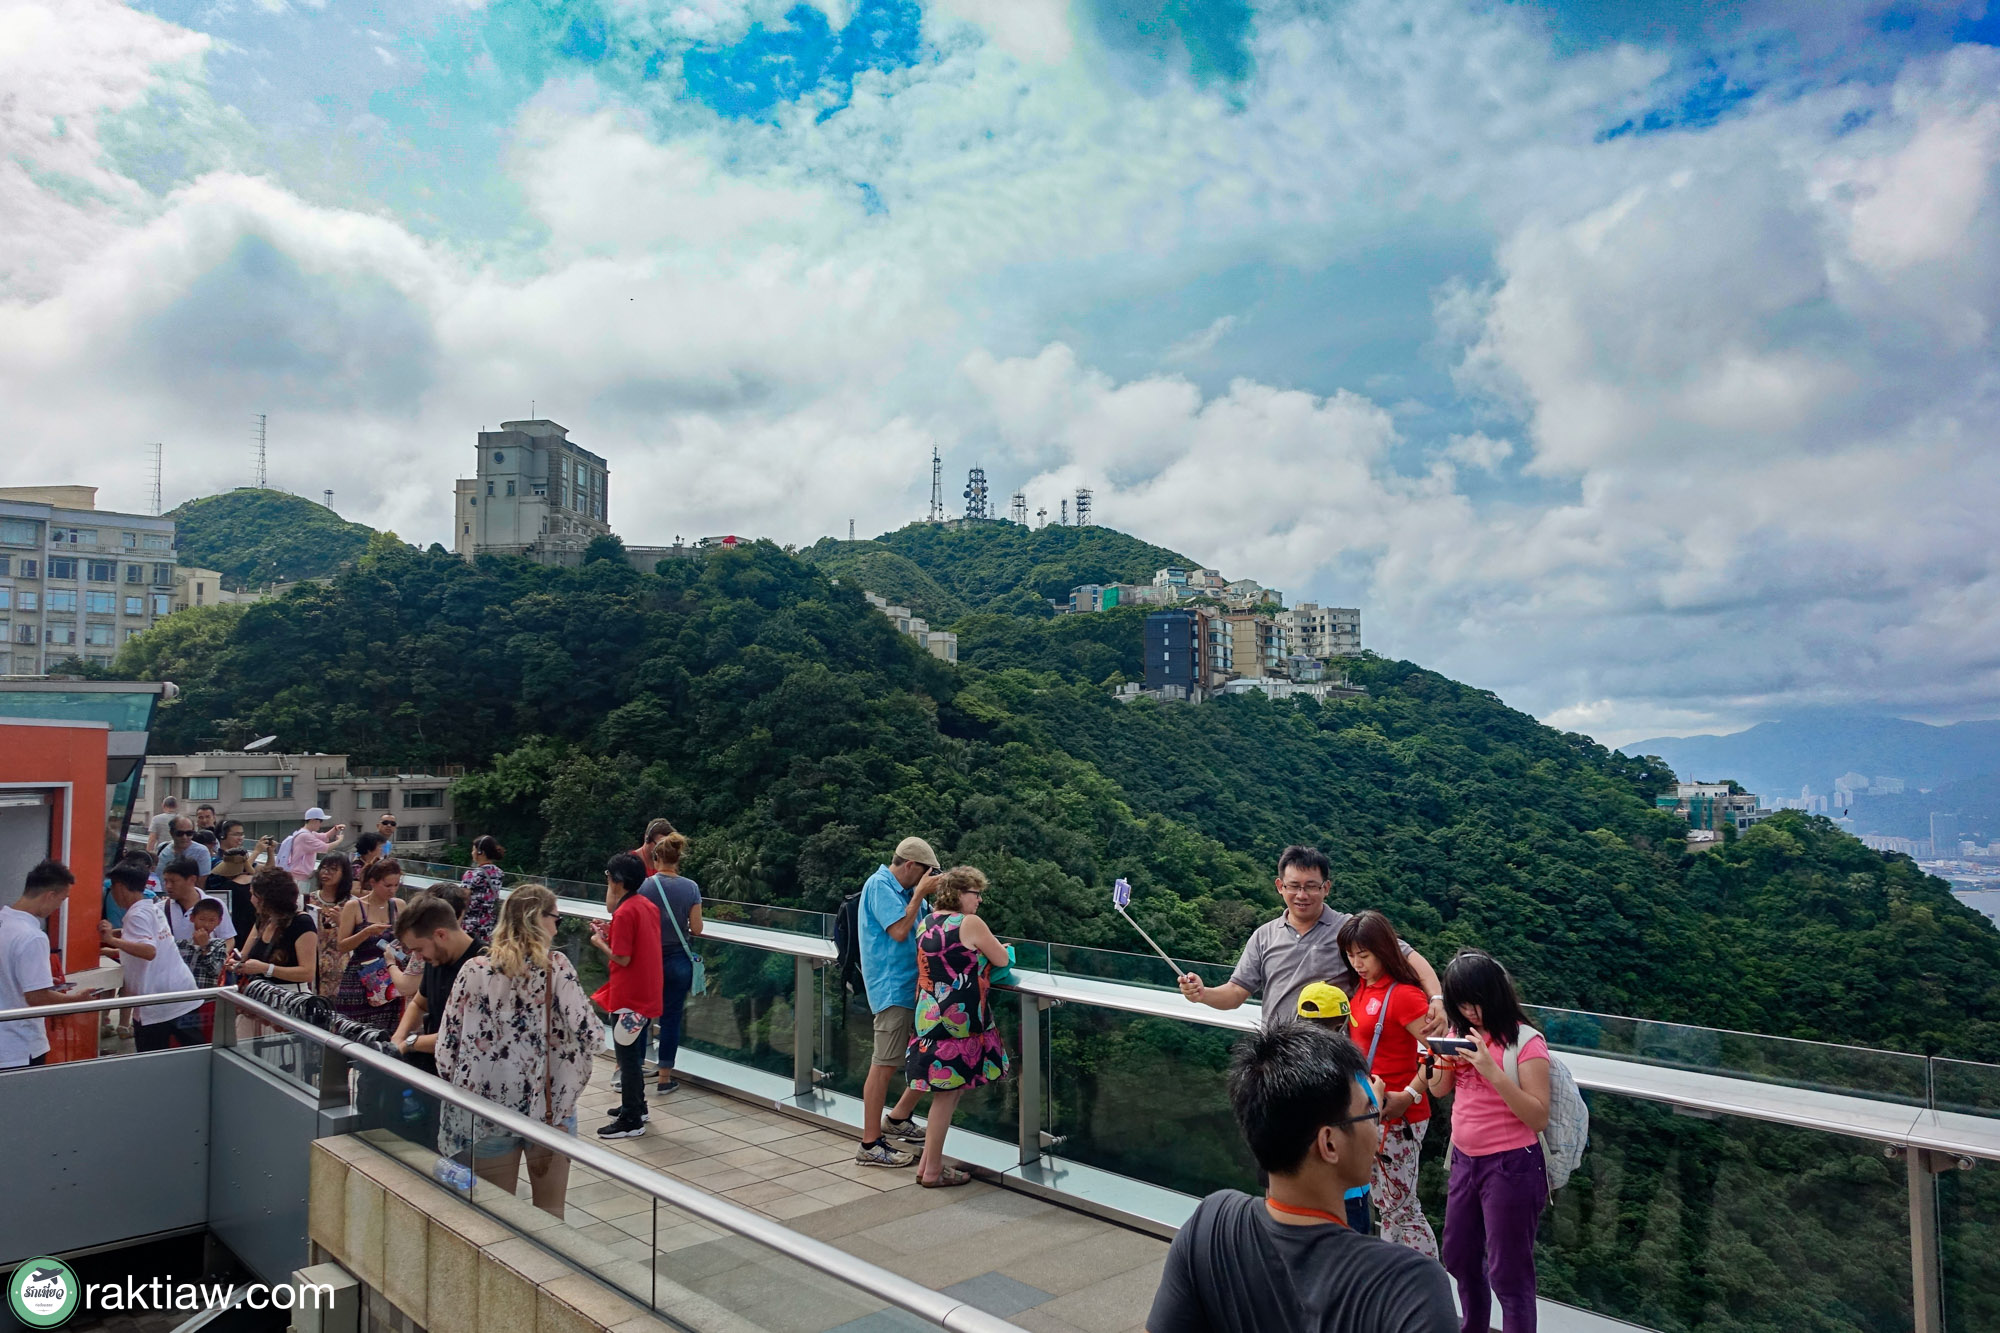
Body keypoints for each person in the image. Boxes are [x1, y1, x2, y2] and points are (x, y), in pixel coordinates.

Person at [1145, 1022, 1457, 1333]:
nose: (1377, 1125)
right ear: (1329, 1143)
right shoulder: (1409, 1287)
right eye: (1370, 1111)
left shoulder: (1210, 1224)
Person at [436, 885, 602, 1217]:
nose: (557, 926)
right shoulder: (557, 967)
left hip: (486, 1113)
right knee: (550, 1211)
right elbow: (593, 1036)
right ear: (537, 919)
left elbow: (445, 1049)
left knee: (496, 1217)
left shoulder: (473, 970)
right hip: (549, 1111)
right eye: (555, 917)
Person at [1178, 846, 1445, 1033]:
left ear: (1326, 888)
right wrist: (1203, 994)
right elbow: (1236, 993)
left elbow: (1408, 956)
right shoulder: (1264, 936)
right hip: (1278, 1055)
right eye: (1293, 886)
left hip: (1333, 1056)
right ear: (1280, 886)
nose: (1302, 895)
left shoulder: (1347, 929)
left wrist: (1436, 999)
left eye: (1311, 886)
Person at [1422, 951, 1552, 1333]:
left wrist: (1490, 1070)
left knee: (1509, 1273)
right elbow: (1441, 1090)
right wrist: (1437, 1063)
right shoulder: (1456, 1034)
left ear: (1495, 995)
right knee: (1459, 1257)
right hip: (1465, 1160)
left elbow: (1537, 1116)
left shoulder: (1526, 1042)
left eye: (1474, 1001)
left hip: (1513, 1164)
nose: (1469, 1011)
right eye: (1460, 1003)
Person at [1336, 911, 1438, 1259]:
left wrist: (1408, 1095)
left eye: (1364, 955)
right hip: (1373, 1112)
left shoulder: (1404, 995)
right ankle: (1396, 1279)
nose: (1357, 963)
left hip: (1400, 1116)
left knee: (1401, 1209)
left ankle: (1424, 1284)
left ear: (1383, 950)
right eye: (1351, 955)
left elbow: (1438, 1051)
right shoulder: (1363, 988)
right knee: (1385, 1203)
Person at [905, 866, 1010, 1188]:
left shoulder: (927, 921)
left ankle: (927, 1166)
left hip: (928, 1015)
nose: (979, 901)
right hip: (957, 1020)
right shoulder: (969, 923)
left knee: (944, 1093)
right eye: (975, 894)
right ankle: (933, 1171)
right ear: (960, 893)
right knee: (946, 1097)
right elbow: (1002, 959)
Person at [854, 836, 941, 1167]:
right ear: (910, 866)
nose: (928, 879)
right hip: (892, 989)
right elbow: (900, 932)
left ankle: (899, 1118)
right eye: (926, 873)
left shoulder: (905, 892)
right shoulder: (879, 886)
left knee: (926, 1057)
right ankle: (870, 1143)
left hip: (915, 988)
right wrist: (920, 895)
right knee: (884, 1064)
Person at [1291, 983, 1375, 1235]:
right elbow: (1366, 1114)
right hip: (1345, 1190)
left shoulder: (1282, 1064)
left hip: (1301, 1184)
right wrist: (1377, 1094)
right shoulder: (1346, 1067)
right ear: (1340, 1026)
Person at [591, 853, 662, 1140]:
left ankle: (632, 1118)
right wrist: (611, 933)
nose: (607, 880)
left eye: (608, 875)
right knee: (634, 1053)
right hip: (646, 992)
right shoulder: (645, 905)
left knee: (627, 1057)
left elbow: (622, 958)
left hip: (629, 996)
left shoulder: (624, 911)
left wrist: (598, 941)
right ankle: (636, 1106)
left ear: (618, 881)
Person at [101, 861, 205, 1050]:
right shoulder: (154, 908)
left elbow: (149, 950)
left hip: (157, 1002)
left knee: (151, 1062)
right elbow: (150, 941)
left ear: (121, 888)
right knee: (195, 1054)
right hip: (182, 994)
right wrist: (116, 937)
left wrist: (112, 940)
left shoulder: (136, 916)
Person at [389, 894, 483, 1077]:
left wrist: (411, 1042)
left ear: (441, 934)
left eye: (419, 949)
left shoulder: (484, 967)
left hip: (467, 1078)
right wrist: (398, 1038)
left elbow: (468, 1035)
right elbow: (419, 1003)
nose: (418, 957)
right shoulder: (437, 958)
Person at [638, 833, 702, 1095]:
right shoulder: (690, 887)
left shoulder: (643, 886)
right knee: (671, 1018)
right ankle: (665, 1078)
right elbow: (696, 928)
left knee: (641, 1016)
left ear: (656, 858)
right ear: (678, 859)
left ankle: (636, 1071)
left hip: (648, 959)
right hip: (678, 959)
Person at [1, 861, 75, 1070]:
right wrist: (77, 1000)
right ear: (49, 895)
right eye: (61, 900)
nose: (58, 907)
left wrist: (39, 980)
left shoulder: (4, 922)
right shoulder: (33, 937)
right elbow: (36, 997)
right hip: (19, 1046)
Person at [331, 859, 408, 1038]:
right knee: (353, 1030)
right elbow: (342, 945)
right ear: (373, 882)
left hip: (390, 978)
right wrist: (366, 933)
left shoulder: (399, 905)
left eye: (396, 885)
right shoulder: (355, 906)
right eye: (387, 885)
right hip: (360, 978)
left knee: (385, 1033)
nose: (392, 890)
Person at [159, 857, 236, 947]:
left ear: (192, 879)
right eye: (165, 881)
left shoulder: (215, 905)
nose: (168, 886)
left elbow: (228, 939)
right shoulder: (159, 909)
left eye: (173, 881)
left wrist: (217, 956)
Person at [310, 853, 356, 998]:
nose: (326, 872)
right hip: (313, 967)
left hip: (343, 970)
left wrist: (342, 922)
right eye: (323, 868)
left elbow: (359, 939)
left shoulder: (353, 904)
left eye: (333, 869)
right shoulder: (306, 900)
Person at [280, 808, 348, 894]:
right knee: (299, 903)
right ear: (313, 820)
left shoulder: (305, 833)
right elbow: (326, 848)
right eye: (320, 821)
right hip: (299, 878)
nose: (321, 824)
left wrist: (335, 829)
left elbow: (324, 836)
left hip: (297, 876)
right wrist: (339, 840)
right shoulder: (305, 837)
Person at [459, 836, 503, 945]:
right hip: (488, 924)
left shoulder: (472, 874)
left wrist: (457, 921)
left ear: (480, 852)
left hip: (470, 924)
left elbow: (462, 898)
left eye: (474, 850)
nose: (472, 852)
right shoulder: (499, 873)